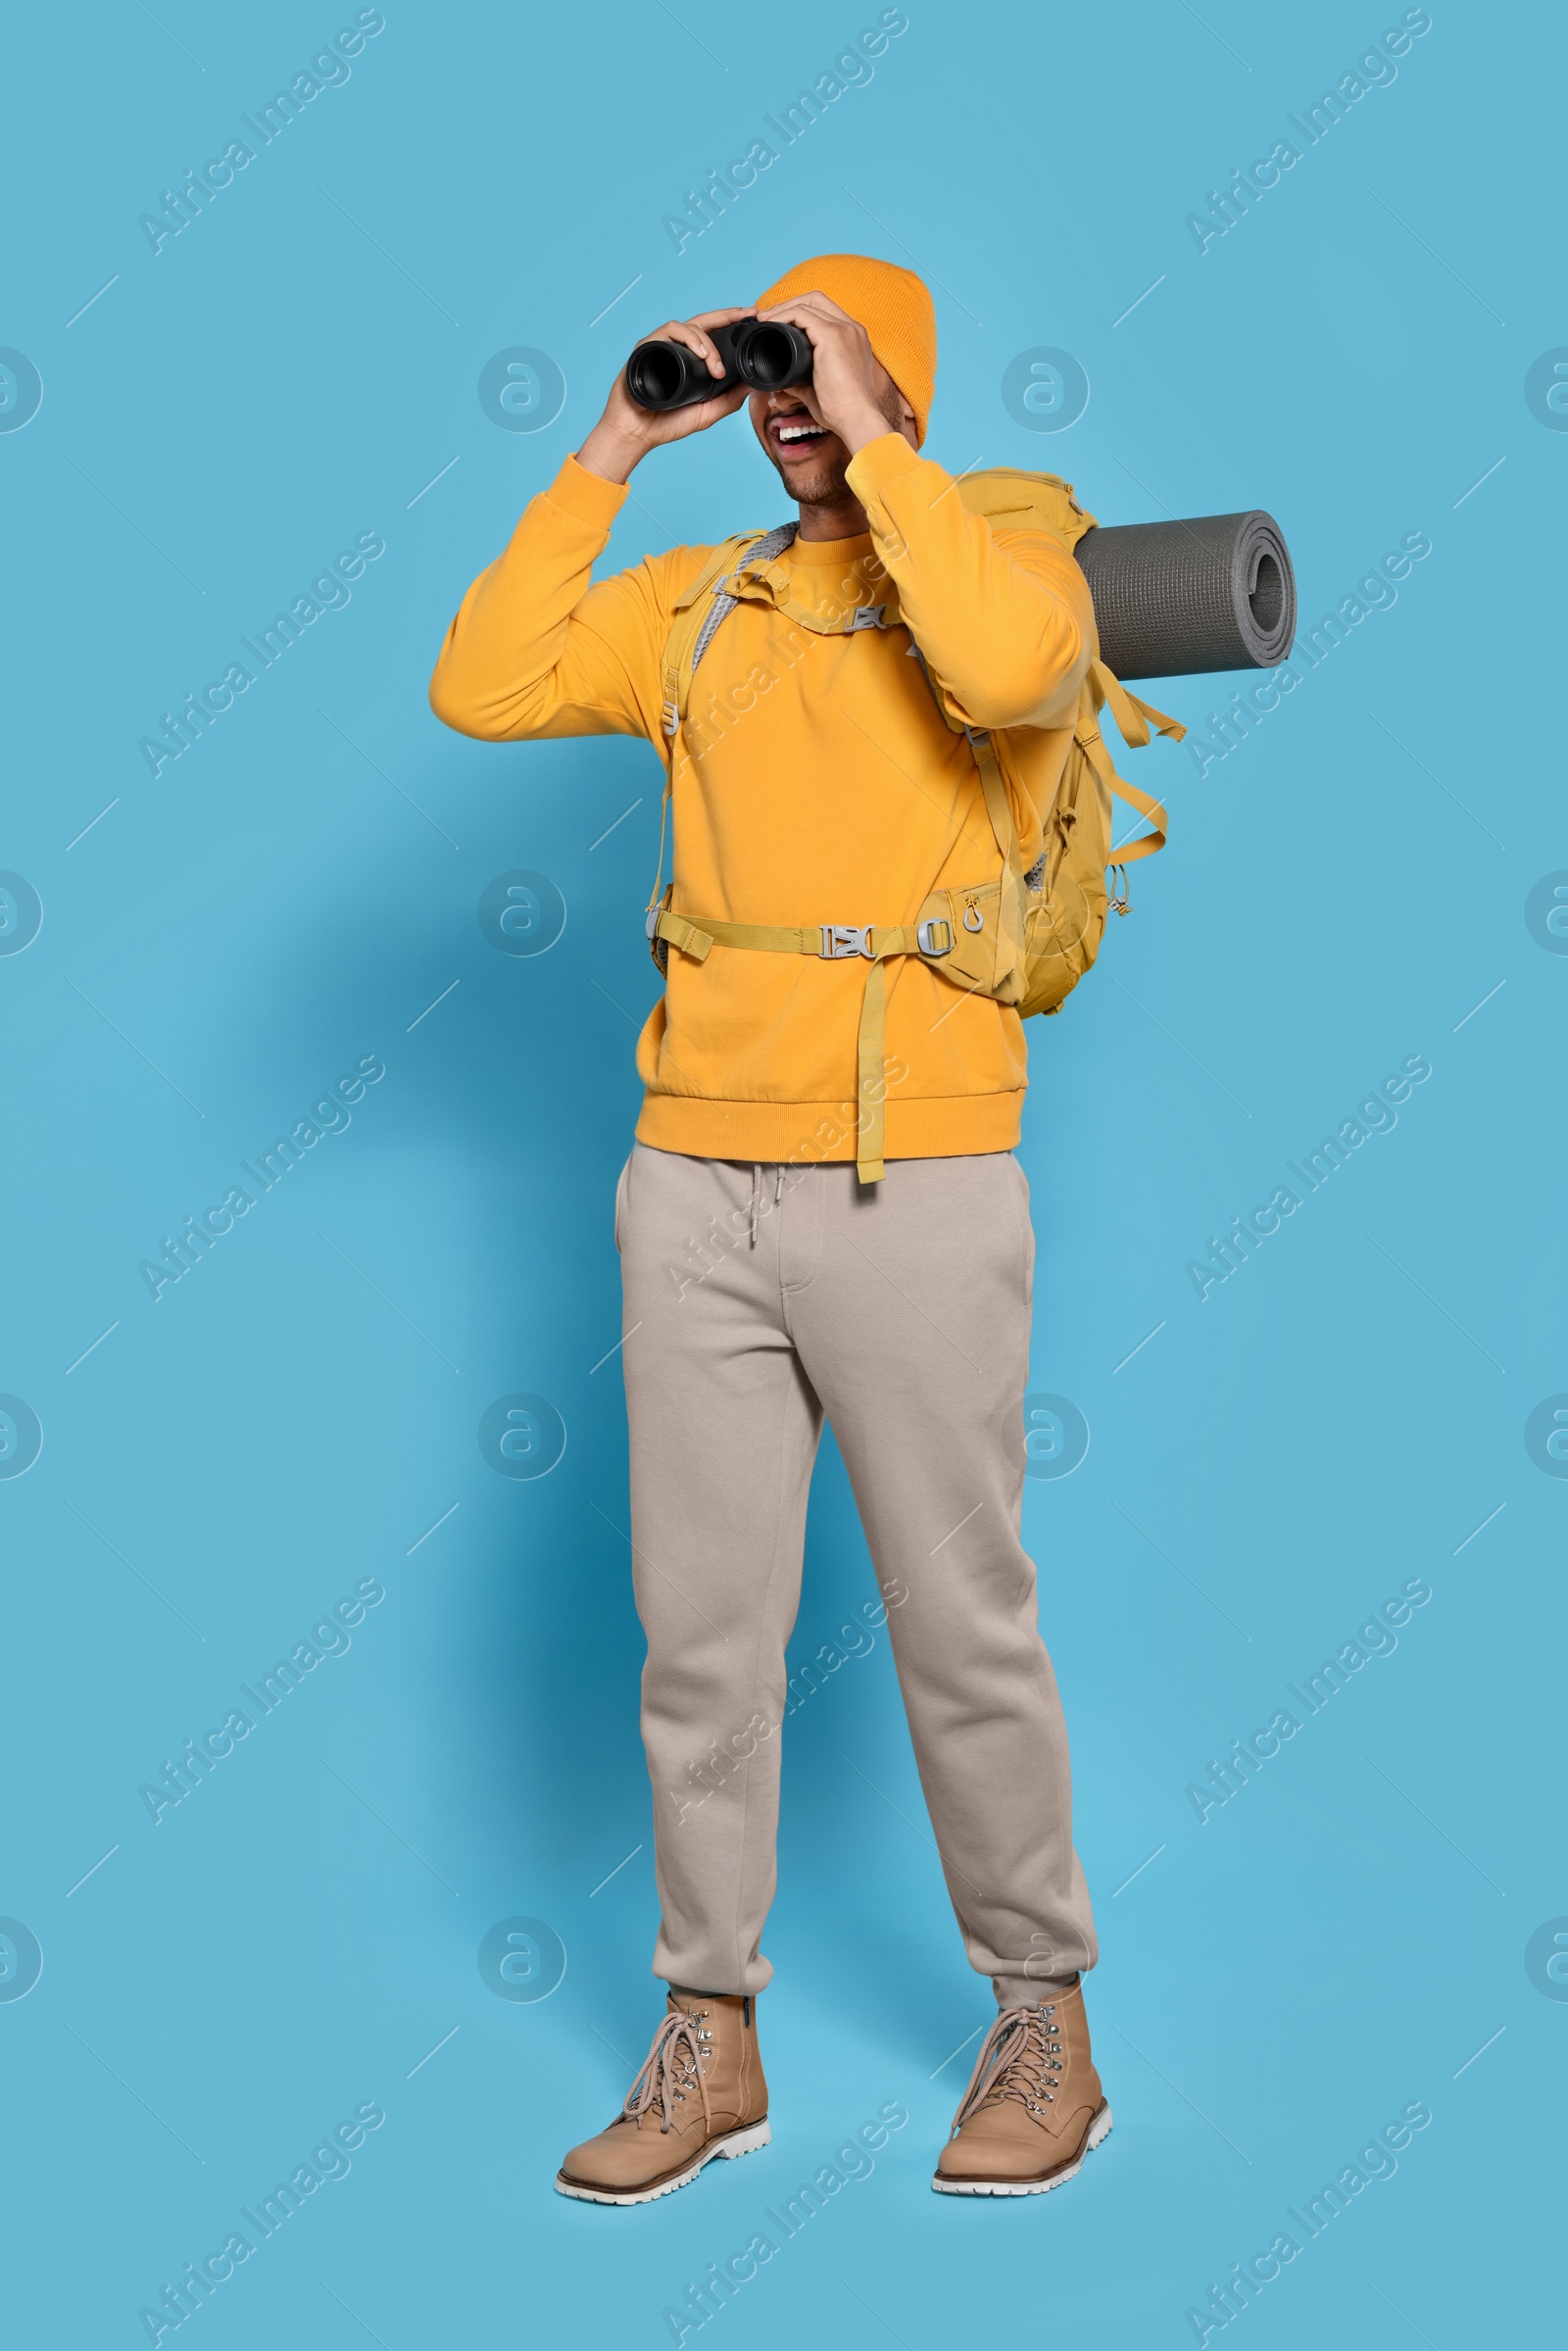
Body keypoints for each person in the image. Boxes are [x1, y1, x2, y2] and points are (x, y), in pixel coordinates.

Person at [430, 253, 1109, 2203]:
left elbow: (1009, 678)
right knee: (697, 1640)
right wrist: (620, 442)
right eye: (770, 369)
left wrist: (880, 441)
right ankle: (702, 2038)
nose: (788, 397)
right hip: (691, 1179)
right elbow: (479, 678)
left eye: (820, 365)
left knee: (958, 1624)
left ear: (898, 385)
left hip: (917, 1174)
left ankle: (1042, 2023)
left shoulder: (999, 553)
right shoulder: (700, 603)